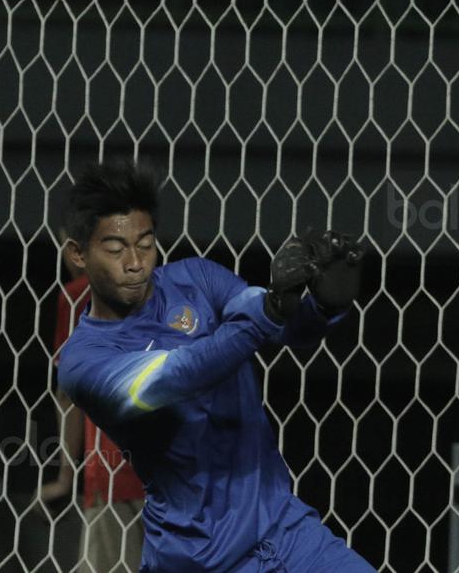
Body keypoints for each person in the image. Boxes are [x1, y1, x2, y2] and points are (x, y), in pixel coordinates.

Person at [55, 161, 375, 572]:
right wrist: (273, 311)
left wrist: (322, 304)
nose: (135, 262)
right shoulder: (84, 362)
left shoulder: (197, 278)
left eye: (147, 243)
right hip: (198, 557)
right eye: (116, 249)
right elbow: (177, 375)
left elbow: (272, 321)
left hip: (285, 532)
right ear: (79, 254)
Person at [42, 229, 147, 572]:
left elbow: (69, 395)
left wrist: (64, 477)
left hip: (115, 477)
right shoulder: (163, 291)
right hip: (178, 482)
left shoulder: (79, 297)